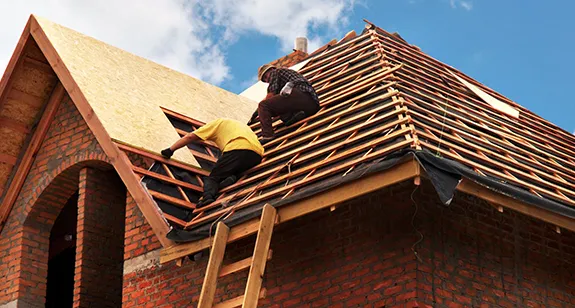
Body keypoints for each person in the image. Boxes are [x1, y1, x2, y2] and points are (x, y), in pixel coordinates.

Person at [161, 118, 264, 207]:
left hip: (237, 148)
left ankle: (207, 198)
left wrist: (170, 150)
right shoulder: (238, 126)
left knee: (212, 178)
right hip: (257, 155)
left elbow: (190, 137)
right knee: (230, 169)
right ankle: (230, 178)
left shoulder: (215, 124)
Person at [250, 64, 320, 144]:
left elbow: (270, 96)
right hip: (311, 105)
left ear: (271, 69)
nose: (267, 80)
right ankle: (297, 115)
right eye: (265, 80)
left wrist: (256, 112)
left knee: (264, 106)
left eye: (265, 76)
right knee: (281, 113)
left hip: (300, 95)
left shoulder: (276, 72)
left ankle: (267, 135)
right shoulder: (283, 79)